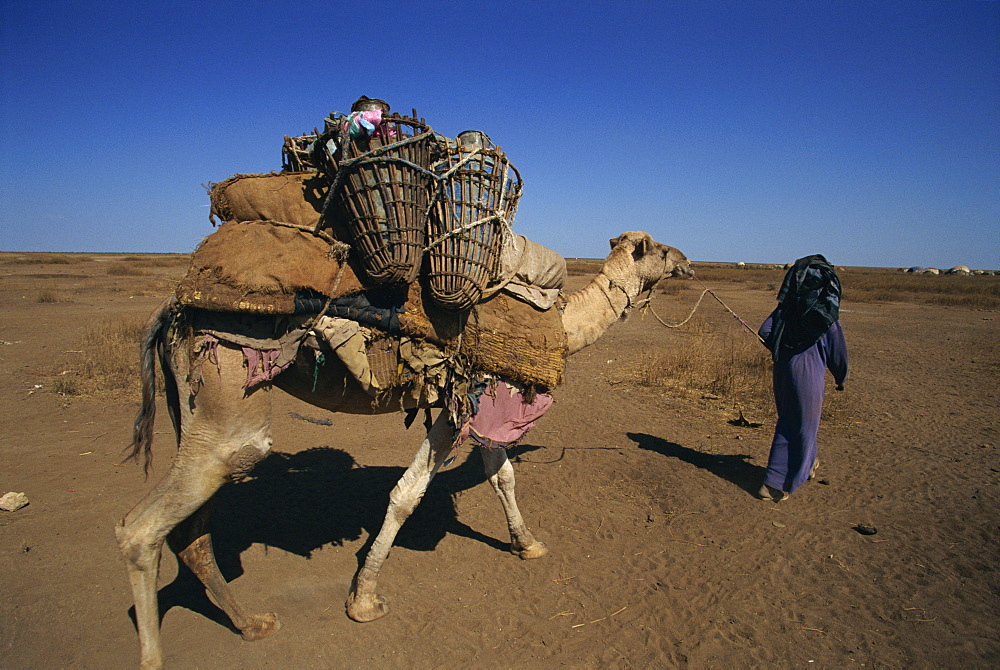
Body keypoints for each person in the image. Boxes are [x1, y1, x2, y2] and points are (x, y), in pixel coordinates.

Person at [757, 255, 848, 502]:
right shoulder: (824, 316)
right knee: (798, 425)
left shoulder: (786, 309)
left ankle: (808, 464)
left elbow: (765, 331)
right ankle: (775, 484)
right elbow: (837, 352)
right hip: (808, 376)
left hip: (783, 371)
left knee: (797, 421)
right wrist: (840, 377)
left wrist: (783, 349)